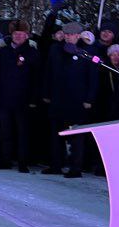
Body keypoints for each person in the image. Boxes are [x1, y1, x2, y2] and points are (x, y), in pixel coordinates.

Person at [42, 21, 98, 177]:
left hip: (77, 100)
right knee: (56, 134)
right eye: (66, 34)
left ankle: (75, 167)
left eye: (71, 34)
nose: (68, 37)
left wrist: (89, 99)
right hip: (58, 98)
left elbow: (93, 77)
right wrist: (46, 93)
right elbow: (48, 71)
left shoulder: (87, 51)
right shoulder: (56, 49)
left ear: (78, 35)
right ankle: (56, 165)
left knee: (76, 136)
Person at [0, 20, 40, 173]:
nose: (18, 36)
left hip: (23, 100)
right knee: (5, 131)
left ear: (27, 35)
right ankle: (5, 160)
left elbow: (37, 78)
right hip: (4, 98)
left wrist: (33, 99)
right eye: (16, 33)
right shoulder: (4, 52)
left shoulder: (32, 53)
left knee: (23, 132)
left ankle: (23, 162)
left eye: (21, 34)